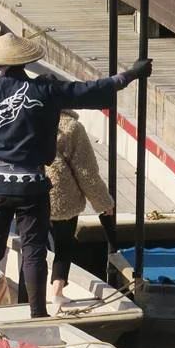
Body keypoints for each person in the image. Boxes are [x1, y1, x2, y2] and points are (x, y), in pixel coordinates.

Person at [0, 34, 150, 319]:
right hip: (32, 185)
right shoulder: (46, 91)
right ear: (25, 62)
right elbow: (91, 90)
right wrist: (132, 75)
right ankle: (38, 312)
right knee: (34, 247)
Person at [45, 111, 118, 313]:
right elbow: (86, 172)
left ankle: (29, 296)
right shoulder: (72, 127)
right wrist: (103, 203)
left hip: (32, 191)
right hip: (62, 194)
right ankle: (57, 293)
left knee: (32, 246)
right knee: (63, 245)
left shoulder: (28, 117)